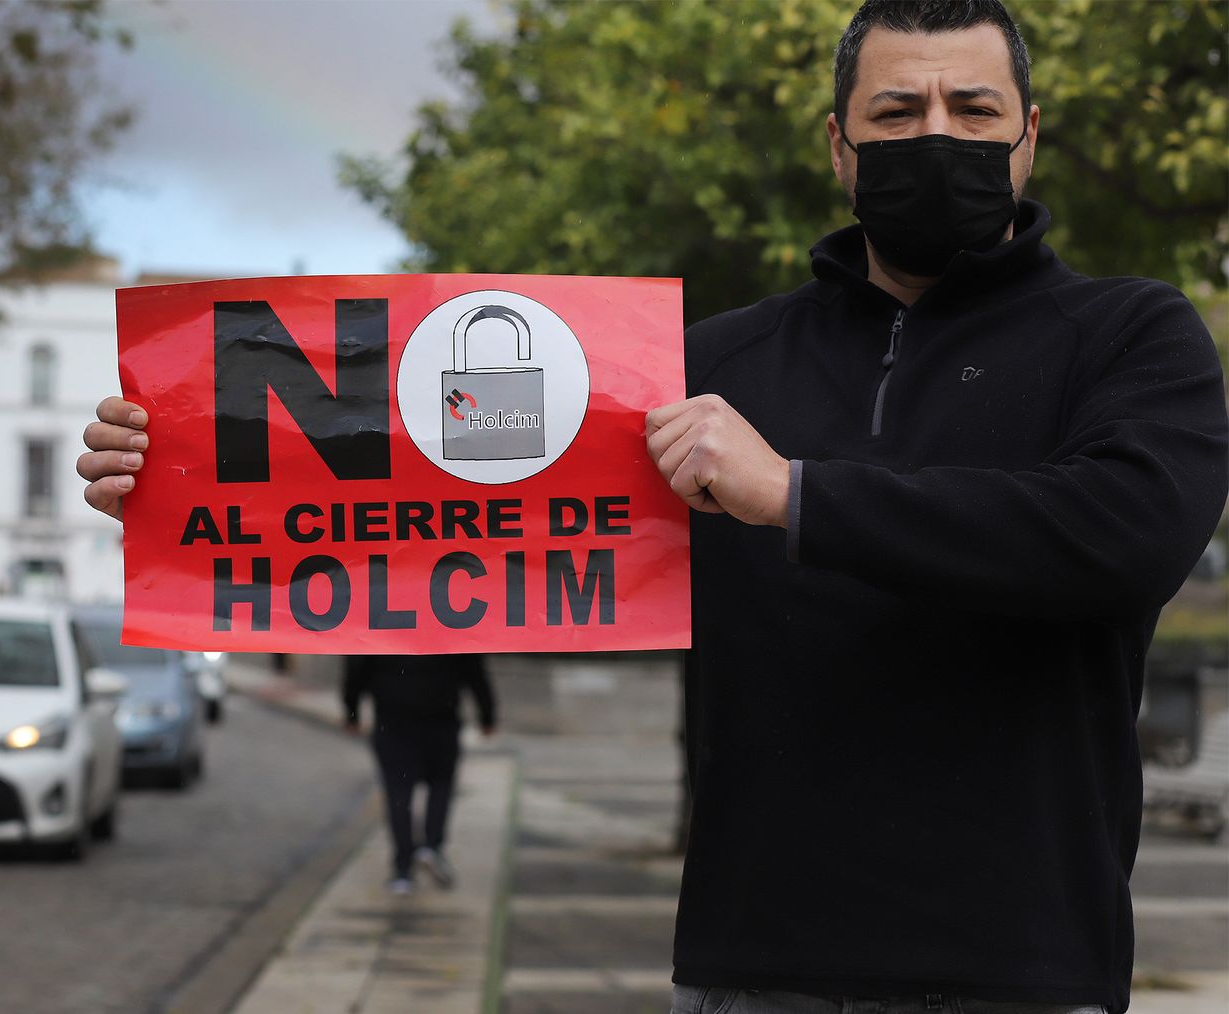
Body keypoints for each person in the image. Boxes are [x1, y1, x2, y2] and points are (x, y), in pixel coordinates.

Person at [77, 2, 1226, 1009]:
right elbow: (450, 513)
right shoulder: (696, 365)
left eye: (973, 111)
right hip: (748, 966)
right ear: (839, 145)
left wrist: (792, 494)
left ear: (1030, 138)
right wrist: (184, 488)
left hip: (1021, 969)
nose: (935, 136)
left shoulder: (1131, 335)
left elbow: (1122, 534)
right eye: (895, 113)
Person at [342, 653, 497, 895]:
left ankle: (403, 869)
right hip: (441, 719)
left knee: (398, 793)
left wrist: (351, 710)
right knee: (441, 785)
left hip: (392, 722)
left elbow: (357, 668)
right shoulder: (451, 624)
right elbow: (475, 672)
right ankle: (432, 845)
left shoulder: (379, 622)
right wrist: (487, 716)